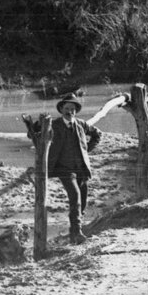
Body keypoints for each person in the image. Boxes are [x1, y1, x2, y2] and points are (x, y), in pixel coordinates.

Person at [46, 94, 102, 241]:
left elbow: (97, 134)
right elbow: (34, 133)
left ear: (76, 111)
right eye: (66, 108)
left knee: (82, 200)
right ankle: (76, 233)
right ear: (61, 110)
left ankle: (76, 230)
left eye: (72, 109)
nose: (69, 112)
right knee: (75, 196)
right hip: (64, 169)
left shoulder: (81, 124)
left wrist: (86, 150)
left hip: (81, 169)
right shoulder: (54, 124)